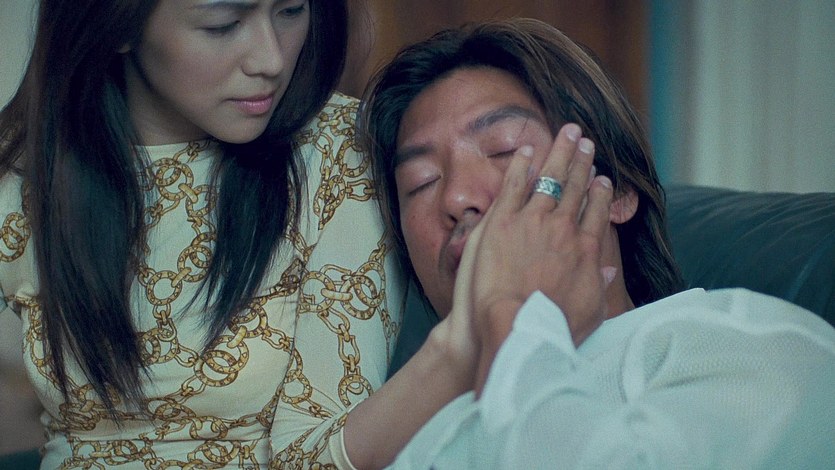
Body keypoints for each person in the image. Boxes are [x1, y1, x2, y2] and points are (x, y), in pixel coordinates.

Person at [0, 1, 470, 468]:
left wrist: (460, 347)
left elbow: (313, 453)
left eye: (291, 11)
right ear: (119, 26)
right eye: (223, 25)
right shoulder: (22, 168)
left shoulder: (337, 151)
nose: (271, 60)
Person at [359, 18, 835, 468]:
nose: (456, 197)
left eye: (505, 149)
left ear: (618, 192)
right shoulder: (418, 432)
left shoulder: (754, 346)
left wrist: (513, 312)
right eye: (421, 182)